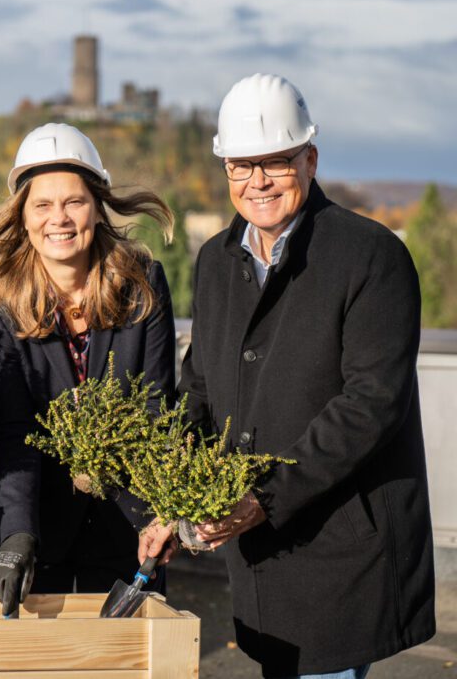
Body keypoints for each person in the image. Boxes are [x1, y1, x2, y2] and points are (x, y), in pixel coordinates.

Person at [141, 73, 436, 678]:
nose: (257, 182)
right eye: (240, 166)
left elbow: (370, 404)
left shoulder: (370, 257)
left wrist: (262, 497)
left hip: (339, 555)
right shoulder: (217, 262)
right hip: (259, 560)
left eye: (274, 163)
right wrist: (169, 502)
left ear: (310, 158)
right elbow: (199, 391)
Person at [0, 123, 176, 616]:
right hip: (36, 523)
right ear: (23, 216)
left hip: (127, 521)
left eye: (74, 201)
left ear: (97, 205)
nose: (60, 218)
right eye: (42, 205)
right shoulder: (2, 306)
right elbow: (14, 433)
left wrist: (157, 516)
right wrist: (16, 533)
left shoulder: (142, 285)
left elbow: (158, 411)